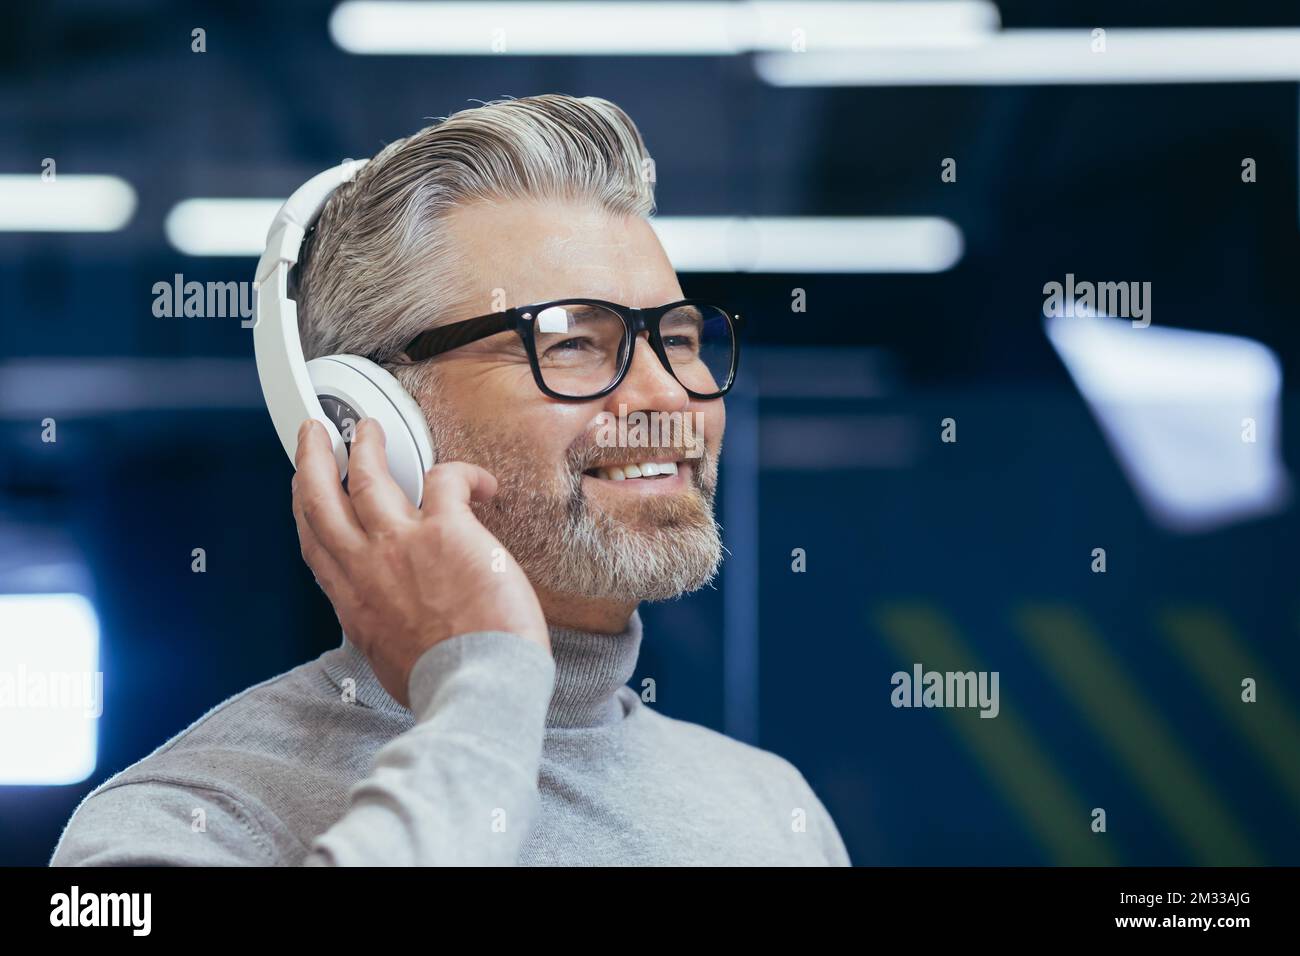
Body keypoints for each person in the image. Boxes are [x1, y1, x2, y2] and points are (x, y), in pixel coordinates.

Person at [51, 94, 850, 866]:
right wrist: (485, 690)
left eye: (676, 338)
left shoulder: (771, 807)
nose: (670, 396)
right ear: (372, 418)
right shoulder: (188, 820)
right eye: (572, 343)